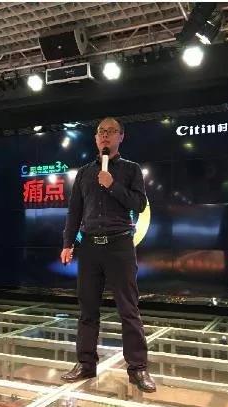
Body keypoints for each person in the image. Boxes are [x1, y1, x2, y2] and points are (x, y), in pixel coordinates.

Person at [59, 117, 156, 393]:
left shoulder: (131, 170)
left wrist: (112, 185)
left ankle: (138, 368)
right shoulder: (84, 173)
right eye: (101, 131)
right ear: (95, 137)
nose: (105, 135)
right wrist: (68, 243)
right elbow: (75, 211)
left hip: (119, 245)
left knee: (128, 309)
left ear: (121, 137)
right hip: (90, 247)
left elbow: (139, 204)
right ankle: (85, 364)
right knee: (87, 309)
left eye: (111, 131)